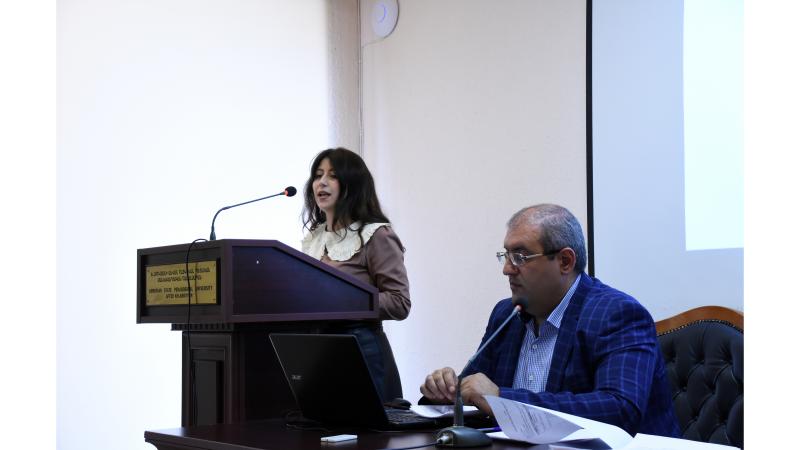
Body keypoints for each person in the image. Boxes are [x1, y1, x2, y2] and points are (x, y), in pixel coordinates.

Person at [419, 204, 680, 437]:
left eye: (520, 257)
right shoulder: (506, 314)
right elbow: (479, 395)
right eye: (506, 255)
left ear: (565, 261)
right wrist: (447, 392)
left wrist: (502, 399)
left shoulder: (617, 314)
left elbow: (619, 409)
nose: (507, 268)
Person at [301, 147, 410, 401]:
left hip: (362, 350)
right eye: (318, 175)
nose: (322, 182)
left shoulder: (376, 234)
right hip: (319, 351)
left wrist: (347, 300)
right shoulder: (314, 238)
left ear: (353, 184)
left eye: (333, 176)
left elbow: (400, 302)